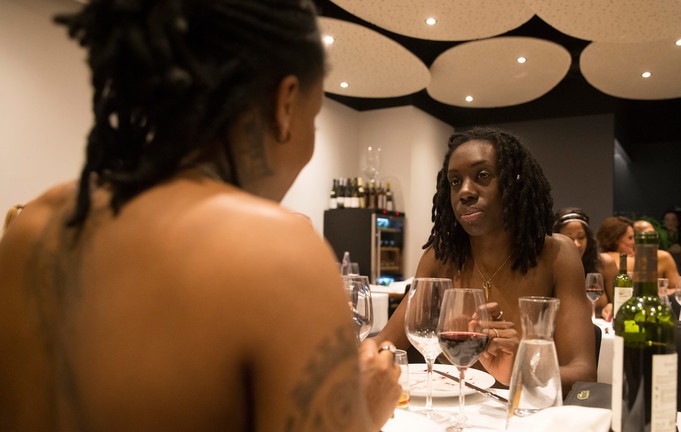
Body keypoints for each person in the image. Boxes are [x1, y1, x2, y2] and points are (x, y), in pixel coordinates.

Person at [0, 1, 401, 431]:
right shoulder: (282, 253)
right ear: (285, 104)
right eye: (315, 119)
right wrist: (366, 410)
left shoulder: (33, 226)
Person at [375, 127, 597, 393]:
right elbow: (386, 342)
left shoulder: (557, 255)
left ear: (514, 183)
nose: (465, 191)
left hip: (523, 410)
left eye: (482, 176)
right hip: (451, 411)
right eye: (455, 181)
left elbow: (584, 373)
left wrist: (521, 371)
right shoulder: (440, 257)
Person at [554, 207, 618, 321]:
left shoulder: (605, 264)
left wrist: (612, 307)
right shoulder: (550, 268)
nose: (577, 244)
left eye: (581, 237)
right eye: (569, 238)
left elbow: (620, 304)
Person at [633, 219, 680, 290]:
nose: (653, 238)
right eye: (649, 235)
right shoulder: (625, 259)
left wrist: (659, 293)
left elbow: (677, 289)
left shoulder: (663, 257)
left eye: (654, 234)